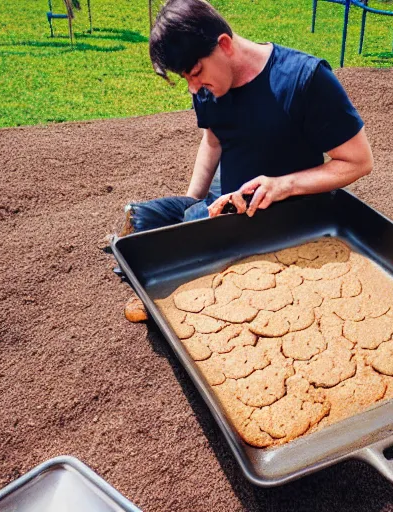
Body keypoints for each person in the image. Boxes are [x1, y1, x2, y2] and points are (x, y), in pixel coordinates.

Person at [122, 0, 373, 321]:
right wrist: (194, 199)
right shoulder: (206, 86)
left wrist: (283, 185)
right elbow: (213, 140)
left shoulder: (305, 80)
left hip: (282, 218)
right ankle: (190, 223)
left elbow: (358, 161)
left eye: (195, 73)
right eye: (186, 78)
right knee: (139, 224)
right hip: (223, 204)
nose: (192, 88)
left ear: (224, 44)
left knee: (165, 264)